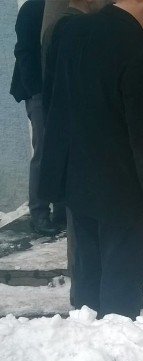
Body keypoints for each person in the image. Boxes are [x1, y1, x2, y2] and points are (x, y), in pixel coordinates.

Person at [38, 0, 143, 319]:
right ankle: (116, 347)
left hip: (75, 175)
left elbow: (53, 100)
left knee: (87, 265)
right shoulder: (142, 51)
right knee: (121, 278)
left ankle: (87, 332)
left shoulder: (68, 31)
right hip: (121, 185)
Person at [10, 0, 60, 236]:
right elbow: (24, 51)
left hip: (60, 91)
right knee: (43, 152)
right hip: (39, 92)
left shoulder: (64, 8)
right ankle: (39, 213)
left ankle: (61, 209)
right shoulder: (32, 8)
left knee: (63, 150)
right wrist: (36, 92)